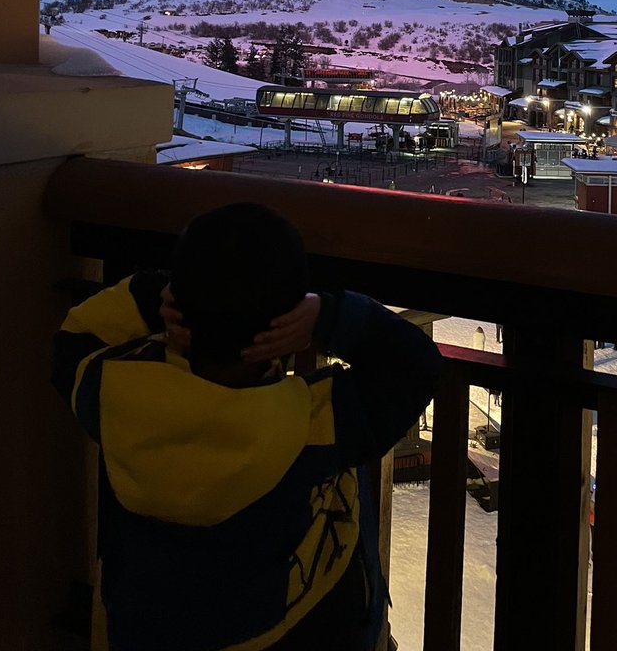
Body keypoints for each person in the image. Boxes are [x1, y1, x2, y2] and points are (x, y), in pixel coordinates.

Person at [51, 203, 442, 651]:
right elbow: (417, 363)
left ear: (180, 313)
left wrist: (156, 296)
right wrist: (328, 317)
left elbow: (74, 338)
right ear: (283, 329)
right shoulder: (315, 424)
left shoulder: (116, 397)